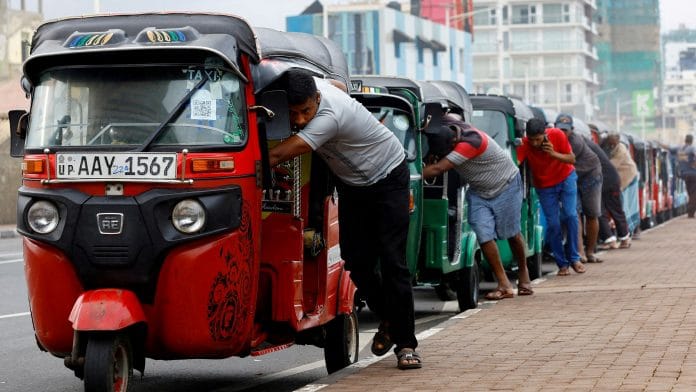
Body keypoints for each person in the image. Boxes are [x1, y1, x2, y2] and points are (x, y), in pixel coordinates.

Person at [268, 69, 421, 370]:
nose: (299, 120)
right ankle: (389, 318)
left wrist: (249, 159)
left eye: (305, 111)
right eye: (293, 113)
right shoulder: (322, 86)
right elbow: (338, 83)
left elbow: (282, 153)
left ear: (318, 99)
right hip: (353, 184)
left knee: (393, 261)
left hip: (389, 176)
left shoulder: (329, 116)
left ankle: (406, 345)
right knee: (356, 260)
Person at [422, 115, 534, 299]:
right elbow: (438, 115)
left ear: (452, 144)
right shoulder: (451, 125)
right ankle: (504, 284)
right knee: (484, 235)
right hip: (479, 190)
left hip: (506, 185)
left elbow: (437, 169)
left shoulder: (471, 143)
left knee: (512, 234)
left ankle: (523, 274)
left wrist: (406, 175)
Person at [516, 117, 586, 276]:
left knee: (570, 215)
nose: (535, 143)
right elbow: (516, 163)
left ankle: (575, 258)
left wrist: (552, 153)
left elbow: (571, 158)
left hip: (566, 178)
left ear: (545, 133)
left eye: (538, 139)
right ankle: (562, 264)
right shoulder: (525, 143)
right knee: (553, 224)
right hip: (544, 186)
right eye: (532, 139)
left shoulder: (557, 134)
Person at [555, 114, 603, 264]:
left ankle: (590, 252)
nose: (562, 133)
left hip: (590, 175)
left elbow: (562, 162)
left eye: (566, 130)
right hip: (571, 176)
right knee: (573, 213)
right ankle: (579, 253)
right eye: (559, 129)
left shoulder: (575, 141)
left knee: (592, 214)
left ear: (572, 130)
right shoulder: (551, 138)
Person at [584, 135, 631, 251]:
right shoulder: (591, 145)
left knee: (606, 210)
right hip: (607, 180)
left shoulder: (583, 145)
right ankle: (616, 238)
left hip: (607, 181)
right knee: (608, 210)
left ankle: (617, 238)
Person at [600, 130, 638, 248]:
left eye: (613, 143)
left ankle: (623, 237)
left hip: (624, 178)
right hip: (613, 181)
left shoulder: (620, 149)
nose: (612, 145)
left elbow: (610, 165)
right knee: (616, 209)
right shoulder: (605, 147)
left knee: (618, 208)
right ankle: (623, 237)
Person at [676, 134, 696, 218]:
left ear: (685, 140)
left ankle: (690, 211)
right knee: (693, 194)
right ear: (691, 140)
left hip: (684, 174)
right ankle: (690, 213)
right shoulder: (691, 148)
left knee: (690, 193)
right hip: (693, 174)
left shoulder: (681, 150)